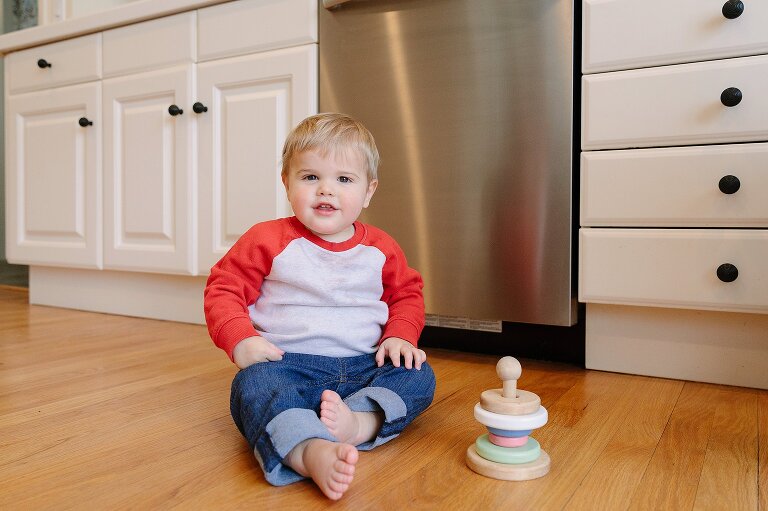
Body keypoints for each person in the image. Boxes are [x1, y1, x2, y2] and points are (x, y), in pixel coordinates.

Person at [204, 113, 436, 500]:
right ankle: (308, 450)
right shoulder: (267, 239)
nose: (325, 190)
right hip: (289, 365)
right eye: (310, 177)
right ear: (287, 182)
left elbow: (406, 295)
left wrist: (401, 336)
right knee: (253, 384)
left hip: (367, 365)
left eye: (343, 180)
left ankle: (359, 423)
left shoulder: (380, 248)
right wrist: (240, 339)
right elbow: (224, 288)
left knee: (419, 374)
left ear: (368, 191)